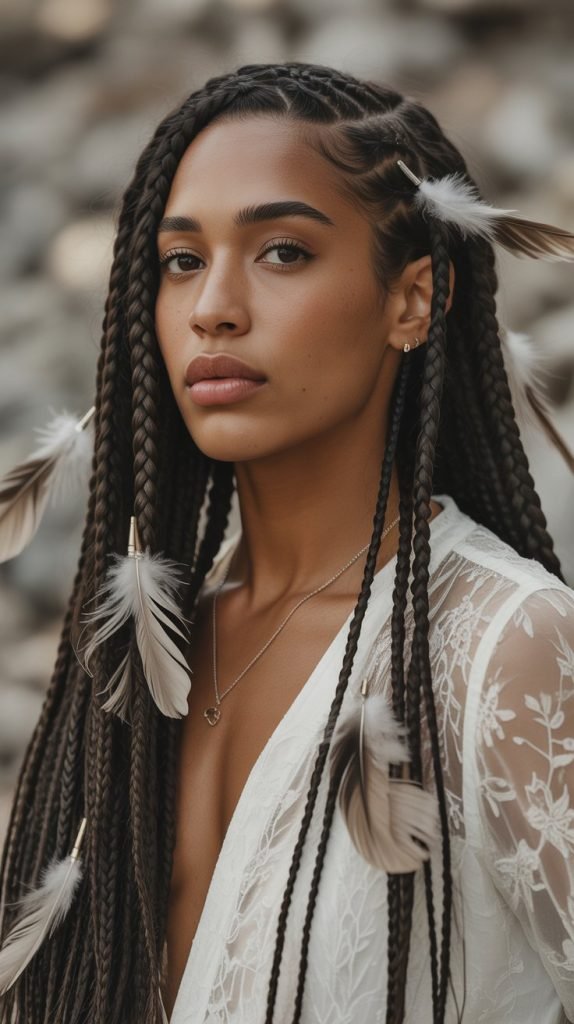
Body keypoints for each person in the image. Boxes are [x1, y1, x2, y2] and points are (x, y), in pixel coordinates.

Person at [0, 61, 573, 1024]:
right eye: (182, 261)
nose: (212, 307)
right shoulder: (138, 662)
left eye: (282, 253)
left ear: (413, 301)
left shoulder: (506, 648)